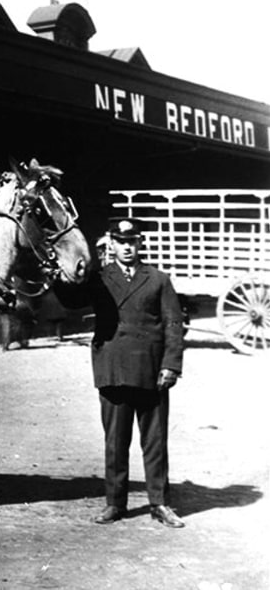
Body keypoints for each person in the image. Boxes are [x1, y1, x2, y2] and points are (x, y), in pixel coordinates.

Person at [58, 217, 186, 528]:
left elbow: (173, 324)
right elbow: (71, 301)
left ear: (140, 244)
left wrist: (171, 365)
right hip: (113, 370)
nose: (127, 247)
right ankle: (114, 504)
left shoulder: (158, 279)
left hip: (152, 371)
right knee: (115, 442)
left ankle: (160, 503)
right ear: (111, 244)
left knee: (155, 442)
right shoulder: (99, 279)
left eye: (132, 242)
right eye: (121, 242)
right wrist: (57, 276)